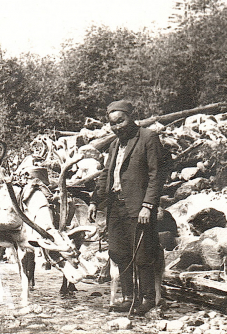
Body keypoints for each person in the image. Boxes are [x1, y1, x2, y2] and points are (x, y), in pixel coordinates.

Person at [88, 100, 165, 315]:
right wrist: (95, 200)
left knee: (142, 254)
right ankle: (128, 298)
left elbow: (156, 174)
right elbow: (106, 175)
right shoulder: (114, 144)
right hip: (116, 207)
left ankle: (148, 298)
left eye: (120, 121)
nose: (117, 127)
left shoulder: (148, 138)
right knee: (119, 253)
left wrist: (148, 205)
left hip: (138, 207)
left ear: (131, 117)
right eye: (113, 124)